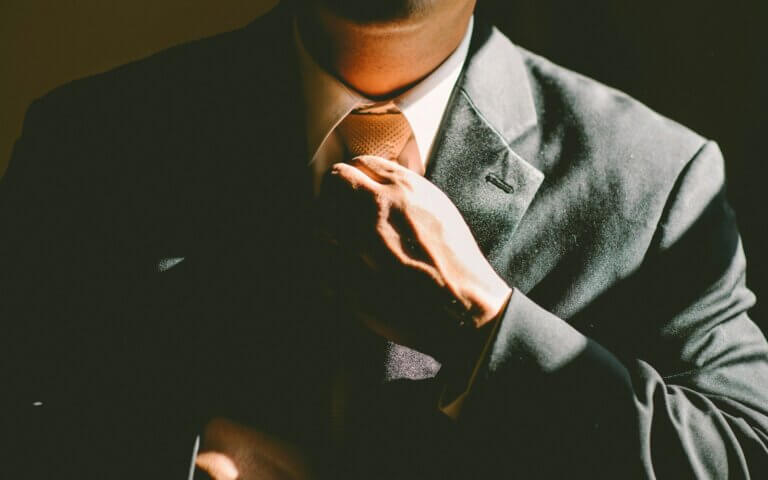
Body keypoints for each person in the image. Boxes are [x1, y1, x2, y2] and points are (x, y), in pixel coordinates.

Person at [3, 0, 767, 478]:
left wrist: (487, 323)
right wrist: (170, 460)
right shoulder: (93, 140)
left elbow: (741, 455)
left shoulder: (655, 178)